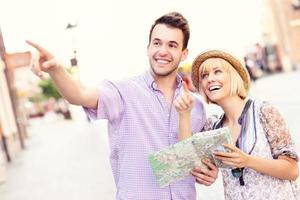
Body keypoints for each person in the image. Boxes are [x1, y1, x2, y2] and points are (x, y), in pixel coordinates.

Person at [26, 12, 218, 200]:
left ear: (184, 53)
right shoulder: (123, 92)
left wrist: (208, 173)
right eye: (157, 42)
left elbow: (195, 163)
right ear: (148, 47)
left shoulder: (197, 106)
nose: (162, 51)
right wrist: (56, 69)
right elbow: (79, 95)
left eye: (172, 45)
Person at [175, 50, 299, 199]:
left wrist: (248, 161)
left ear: (233, 76)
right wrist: (184, 115)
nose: (210, 79)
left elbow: (292, 170)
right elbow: (188, 160)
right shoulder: (213, 127)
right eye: (204, 75)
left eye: (217, 72)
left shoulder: (263, 111)